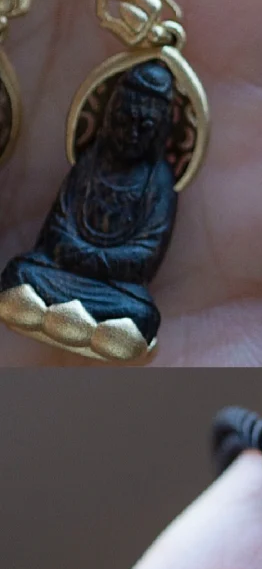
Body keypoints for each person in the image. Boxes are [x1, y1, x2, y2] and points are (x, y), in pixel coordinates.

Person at [0, 62, 178, 356]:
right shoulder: (91, 161)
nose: (132, 134)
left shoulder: (158, 180)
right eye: (124, 120)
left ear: (160, 130)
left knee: (141, 315)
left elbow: (146, 253)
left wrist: (96, 258)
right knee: (19, 273)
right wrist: (76, 250)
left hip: (112, 289)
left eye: (144, 127)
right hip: (61, 274)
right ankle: (90, 330)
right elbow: (58, 225)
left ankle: (64, 320)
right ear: (110, 116)